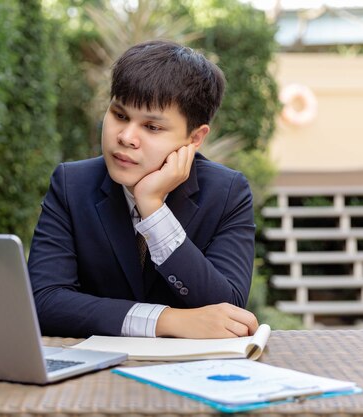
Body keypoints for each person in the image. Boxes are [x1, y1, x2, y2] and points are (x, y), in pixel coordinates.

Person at [28, 40, 258, 339]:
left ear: (195, 138)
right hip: (93, 375)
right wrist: (165, 320)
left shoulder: (227, 192)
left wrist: (152, 207)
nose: (125, 137)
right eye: (120, 115)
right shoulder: (71, 184)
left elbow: (227, 309)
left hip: (190, 373)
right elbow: (43, 302)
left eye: (152, 127)